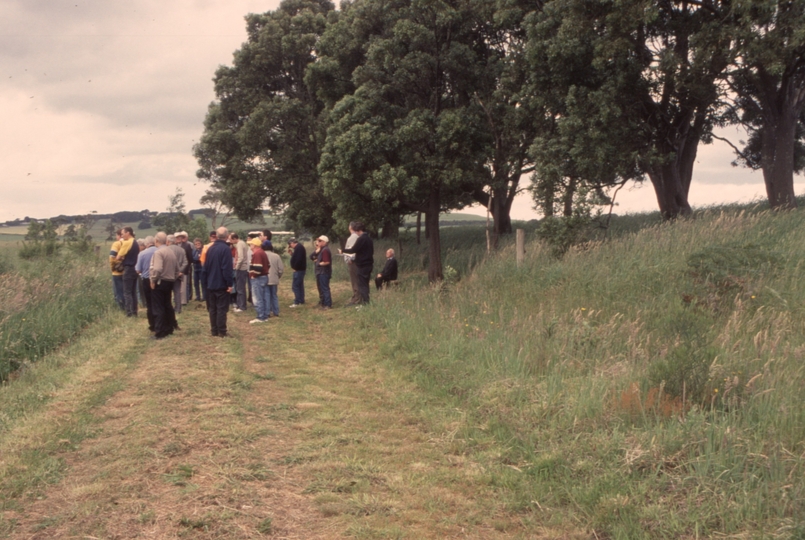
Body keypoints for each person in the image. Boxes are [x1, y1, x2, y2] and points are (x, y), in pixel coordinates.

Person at [204, 226, 234, 337]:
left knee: (213, 308)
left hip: (211, 283)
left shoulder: (210, 248)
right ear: (227, 236)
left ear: (216, 236)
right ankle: (222, 331)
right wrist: (229, 283)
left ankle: (214, 330)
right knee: (221, 308)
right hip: (221, 283)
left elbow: (205, 267)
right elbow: (226, 268)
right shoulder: (225, 249)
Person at [149, 232, 179, 340]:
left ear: (156, 241)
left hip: (160, 281)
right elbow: (177, 269)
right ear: (166, 241)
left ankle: (160, 331)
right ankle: (169, 328)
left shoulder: (159, 253)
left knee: (158, 307)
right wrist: (173, 278)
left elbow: (157, 268)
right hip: (169, 281)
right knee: (167, 304)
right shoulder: (171, 252)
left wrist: (153, 280)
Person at [340, 221, 374, 304]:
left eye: (356, 231)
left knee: (362, 284)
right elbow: (369, 252)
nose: (355, 233)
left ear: (359, 230)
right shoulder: (369, 239)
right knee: (365, 283)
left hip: (363, 265)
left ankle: (365, 302)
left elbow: (353, 250)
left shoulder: (361, 238)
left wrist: (343, 250)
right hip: (369, 264)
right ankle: (366, 300)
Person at [116, 227, 141, 317]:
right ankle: (135, 311)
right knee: (133, 291)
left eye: (123, 234)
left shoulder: (127, 243)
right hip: (135, 268)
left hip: (128, 268)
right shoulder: (135, 242)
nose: (122, 236)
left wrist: (122, 257)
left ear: (128, 233)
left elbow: (118, 257)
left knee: (127, 292)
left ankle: (129, 312)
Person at [135, 236, 157, 332]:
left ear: (146, 244)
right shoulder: (159, 251)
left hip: (146, 279)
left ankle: (152, 324)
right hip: (158, 279)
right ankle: (161, 321)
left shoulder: (142, 254)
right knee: (158, 301)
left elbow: (138, 269)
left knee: (149, 303)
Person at [247, 237, 270, 324]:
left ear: (255, 245)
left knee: (257, 298)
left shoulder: (257, 253)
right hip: (264, 277)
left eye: (251, 244)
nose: (250, 245)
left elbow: (258, 267)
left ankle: (260, 317)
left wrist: (253, 275)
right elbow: (268, 265)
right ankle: (264, 315)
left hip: (258, 278)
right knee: (263, 297)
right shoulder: (262, 252)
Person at [166, 235, 187, 318]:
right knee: (177, 291)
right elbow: (185, 262)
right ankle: (178, 308)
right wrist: (180, 271)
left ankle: (169, 308)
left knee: (168, 292)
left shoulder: (166, 249)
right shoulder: (182, 250)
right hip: (178, 275)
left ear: (168, 241)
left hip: (168, 274)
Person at [311, 235, 332, 309]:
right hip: (321, 272)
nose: (318, 242)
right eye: (317, 241)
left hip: (324, 272)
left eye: (319, 241)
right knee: (322, 288)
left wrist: (319, 263)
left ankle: (327, 304)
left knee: (325, 288)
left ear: (324, 242)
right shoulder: (322, 249)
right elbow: (311, 256)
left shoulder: (325, 250)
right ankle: (323, 303)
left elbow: (326, 262)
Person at [342, 225, 361, 306]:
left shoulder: (353, 237)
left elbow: (352, 250)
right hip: (355, 261)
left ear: (351, 228)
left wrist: (350, 259)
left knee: (355, 281)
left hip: (353, 262)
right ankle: (356, 297)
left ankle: (356, 299)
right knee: (355, 280)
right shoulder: (356, 237)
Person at [232, 233, 249, 313]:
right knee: (240, 287)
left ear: (235, 238)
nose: (231, 242)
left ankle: (242, 306)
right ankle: (240, 304)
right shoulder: (241, 243)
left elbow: (241, 257)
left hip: (241, 269)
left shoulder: (239, 244)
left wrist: (236, 267)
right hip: (243, 268)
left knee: (240, 288)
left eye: (231, 240)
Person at [176, 231, 194, 306]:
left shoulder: (187, 245)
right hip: (176, 268)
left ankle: (184, 300)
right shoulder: (175, 246)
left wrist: (187, 265)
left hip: (184, 267)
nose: (179, 239)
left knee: (184, 285)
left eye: (180, 237)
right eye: (177, 237)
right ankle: (178, 299)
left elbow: (190, 257)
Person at [288, 238, 306, 307]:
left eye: (290, 245)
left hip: (299, 270)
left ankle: (297, 301)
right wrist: (292, 254)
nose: (290, 246)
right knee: (300, 285)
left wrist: (295, 268)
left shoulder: (299, 248)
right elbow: (297, 257)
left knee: (295, 286)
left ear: (292, 243)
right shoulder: (299, 248)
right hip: (301, 269)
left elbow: (298, 260)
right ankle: (301, 300)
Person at [266, 245, 284, 317]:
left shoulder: (263, 255)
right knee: (274, 295)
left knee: (266, 296)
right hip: (274, 278)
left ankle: (267, 312)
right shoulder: (276, 256)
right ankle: (276, 311)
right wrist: (278, 276)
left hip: (265, 278)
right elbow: (281, 268)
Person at [109, 229, 125, 310]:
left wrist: (113, 267)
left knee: (118, 292)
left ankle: (121, 309)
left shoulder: (116, 244)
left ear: (119, 235)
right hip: (127, 271)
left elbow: (112, 257)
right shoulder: (129, 244)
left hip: (117, 272)